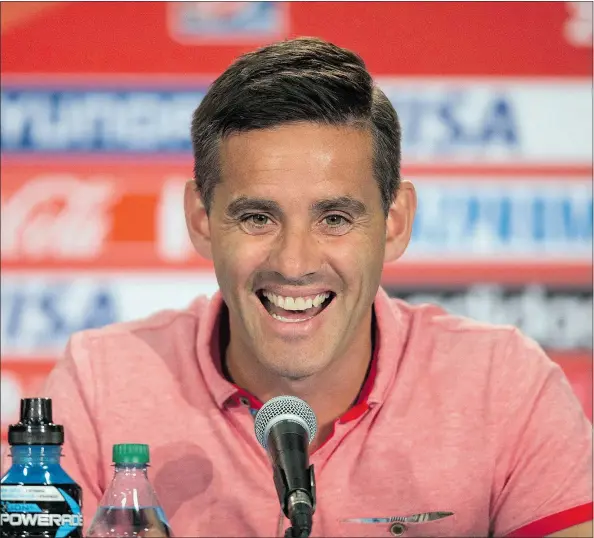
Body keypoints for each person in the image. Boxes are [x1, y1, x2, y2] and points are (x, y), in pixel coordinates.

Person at [4, 37, 592, 538]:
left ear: (395, 222)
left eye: (335, 219)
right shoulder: (101, 382)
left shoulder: (505, 383)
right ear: (202, 220)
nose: (294, 261)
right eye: (257, 218)